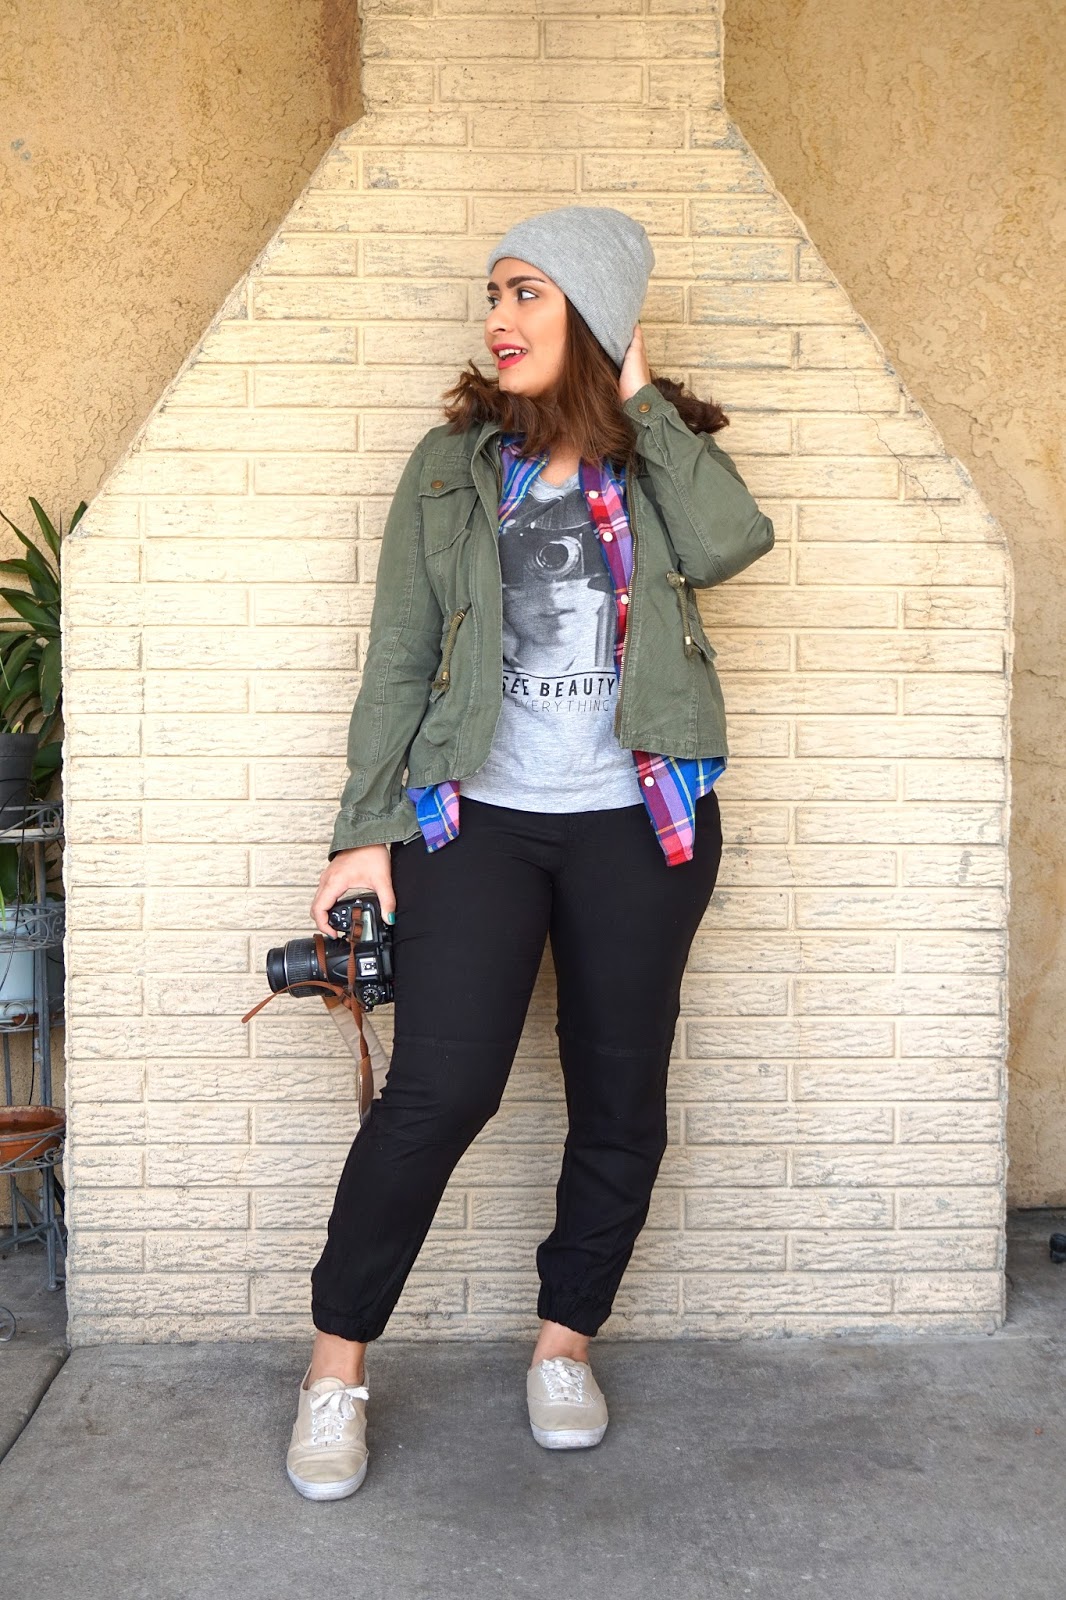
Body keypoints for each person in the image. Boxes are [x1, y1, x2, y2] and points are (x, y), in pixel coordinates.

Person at [285, 205, 775, 1500]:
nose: (497, 316)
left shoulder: (659, 459)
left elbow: (731, 543)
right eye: (493, 291)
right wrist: (363, 832)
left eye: (527, 292)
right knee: (442, 1090)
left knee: (620, 1096)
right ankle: (335, 1370)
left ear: (593, 312)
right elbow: (400, 655)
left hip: (642, 822)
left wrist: (638, 395)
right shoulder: (451, 466)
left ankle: (565, 1344)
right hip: (478, 820)